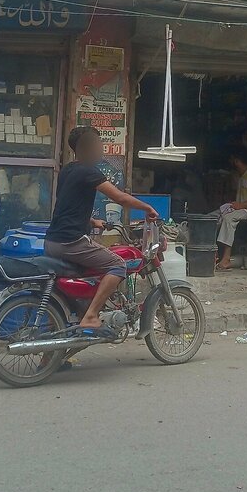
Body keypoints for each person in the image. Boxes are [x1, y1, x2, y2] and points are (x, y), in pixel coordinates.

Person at [45, 126, 158, 337]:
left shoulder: (68, 170)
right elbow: (120, 198)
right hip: (71, 243)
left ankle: (53, 356)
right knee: (117, 264)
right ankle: (92, 316)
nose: (101, 150)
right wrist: (147, 208)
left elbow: (66, 206)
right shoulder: (89, 172)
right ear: (88, 148)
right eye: (98, 146)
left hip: (53, 241)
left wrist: (92, 221)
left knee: (70, 301)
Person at [216, 148, 247, 270]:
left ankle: (226, 259)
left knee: (229, 218)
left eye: (233, 160)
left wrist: (241, 205)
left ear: (237, 161)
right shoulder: (242, 176)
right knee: (216, 215)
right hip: (242, 210)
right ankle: (214, 254)